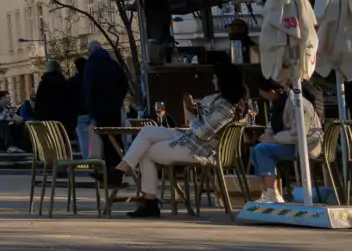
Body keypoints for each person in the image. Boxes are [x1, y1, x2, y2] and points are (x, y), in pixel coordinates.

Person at [118, 60, 246, 218]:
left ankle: (147, 199)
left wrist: (191, 116)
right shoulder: (223, 101)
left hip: (200, 149)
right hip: (191, 140)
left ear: (224, 80)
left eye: (215, 77)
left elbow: (203, 133)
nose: (213, 80)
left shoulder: (225, 107)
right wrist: (195, 111)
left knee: (145, 151)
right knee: (148, 131)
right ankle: (121, 172)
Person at [251, 76, 324, 204]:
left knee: (262, 150)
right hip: (291, 144)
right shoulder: (279, 104)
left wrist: (274, 139)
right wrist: (267, 137)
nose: (261, 95)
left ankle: (272, 192)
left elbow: (298, 134)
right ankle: (267, 192)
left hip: (306, 145)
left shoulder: (297, 104)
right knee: (258, 149)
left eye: (262, 92)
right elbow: (272, 126)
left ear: (271, 92)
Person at [79, 42, 131, 164]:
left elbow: (89, 90)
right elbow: (124, 84)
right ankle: (118, 169)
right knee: (116, 139)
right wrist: (117, 100)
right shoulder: (113, 65)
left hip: (99, 111)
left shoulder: (91, 66)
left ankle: (110, 171)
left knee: (104, 141)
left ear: (90, 51)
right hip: (114, 109)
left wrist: (91, 111)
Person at [30, 60, 80, 142]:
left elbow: (38, 102)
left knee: (52, 141)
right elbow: (69, 100)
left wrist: (40, 115)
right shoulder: (63, 82)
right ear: (58, 69)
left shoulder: (43, 83)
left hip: (48, 119)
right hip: (62, 118)